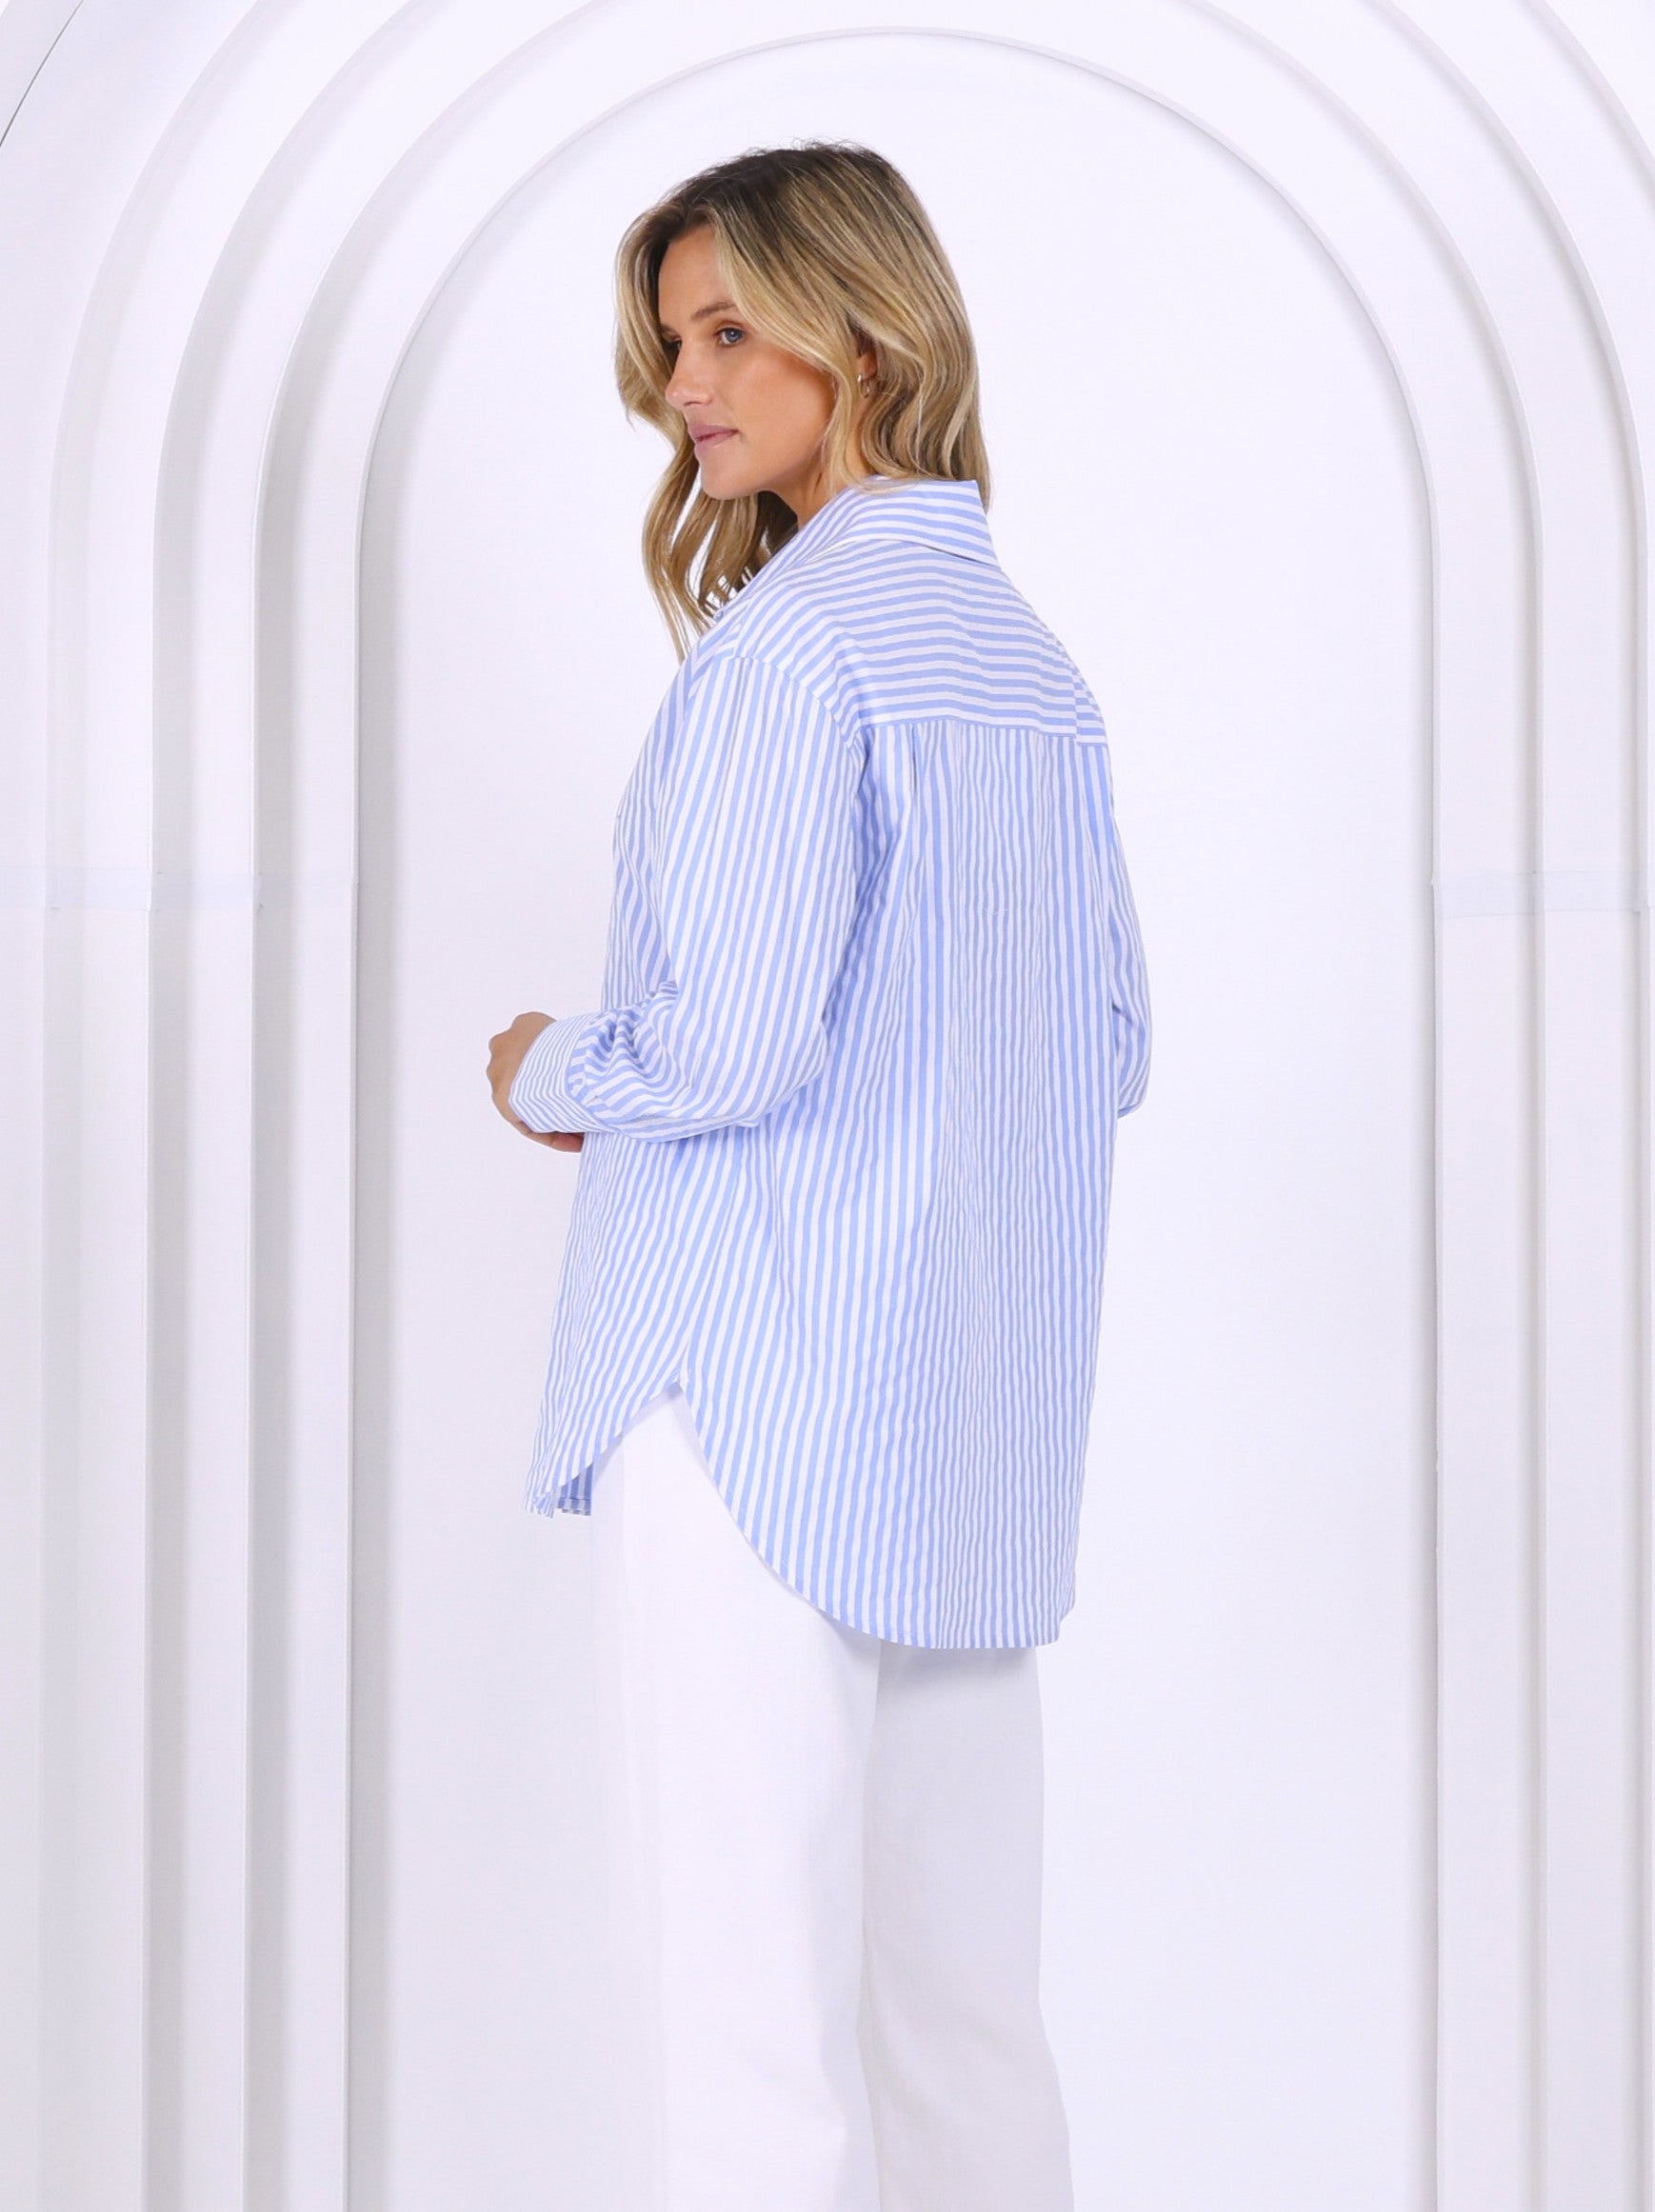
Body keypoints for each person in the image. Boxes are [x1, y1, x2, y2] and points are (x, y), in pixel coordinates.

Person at [485, 140, 1150, 2212]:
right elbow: (1110, 1046)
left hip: (748, 1397)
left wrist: (544, 1066)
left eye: (723, 330)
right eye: (668, 343)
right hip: (960, 1424)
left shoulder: (786, 657)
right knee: (963, 2023)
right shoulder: (1027, 668)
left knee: (740, 2026)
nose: (683, 385)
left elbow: (729, 1048)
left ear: (861, 335)